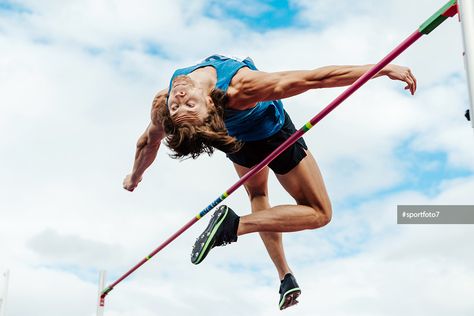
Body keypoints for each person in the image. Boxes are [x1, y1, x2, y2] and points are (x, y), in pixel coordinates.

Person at [123, 55, 417, 310]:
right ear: (210, 106)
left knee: (258, 194)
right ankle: (235, 227)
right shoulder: (243, 87)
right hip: (273, 136)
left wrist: (135, 176)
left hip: (237, 144)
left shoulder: (167, 99)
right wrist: (382, 68)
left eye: (181, 104)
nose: (179, 98)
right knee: (319, 213)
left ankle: (284, 275)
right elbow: (315, 78)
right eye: (183, 105)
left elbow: (146, 143)